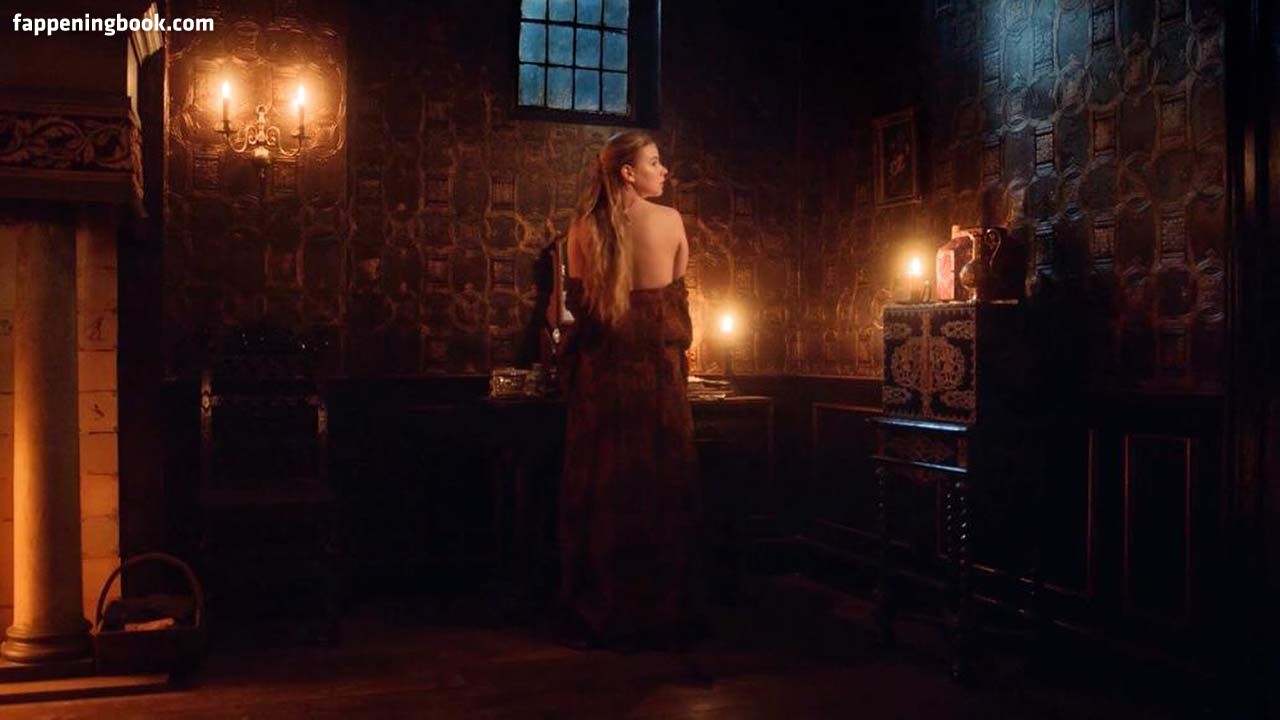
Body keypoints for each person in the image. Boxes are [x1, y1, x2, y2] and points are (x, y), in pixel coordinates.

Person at [556, 130, 704, 651]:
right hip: (657, 382)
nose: (664, 171)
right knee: (662, 489)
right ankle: (661, 610)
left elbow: (576, 317)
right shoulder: (670, 221)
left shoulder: (580, 228)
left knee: (603, 492)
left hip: (601, 383)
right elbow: (675, 302)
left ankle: (603, 607)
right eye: (655, 162)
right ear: (628, 172)